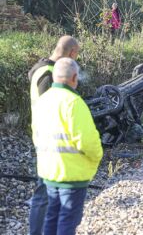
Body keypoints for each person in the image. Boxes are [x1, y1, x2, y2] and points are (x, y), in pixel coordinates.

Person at [31, 58, 103, 235]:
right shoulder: (73, 102)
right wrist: (96, 158)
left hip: (49, 172)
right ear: (74, 77)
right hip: (71, 174)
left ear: (54, 76)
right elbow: (87, 141)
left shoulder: (42, 100)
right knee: (67, 221)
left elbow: (35, 135)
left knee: (51, 218)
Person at [28, 36, 80, 235]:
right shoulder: (48, 75)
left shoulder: (40, 68)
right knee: (44, 193)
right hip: (50, 142)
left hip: (47, 139)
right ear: (72, 53)